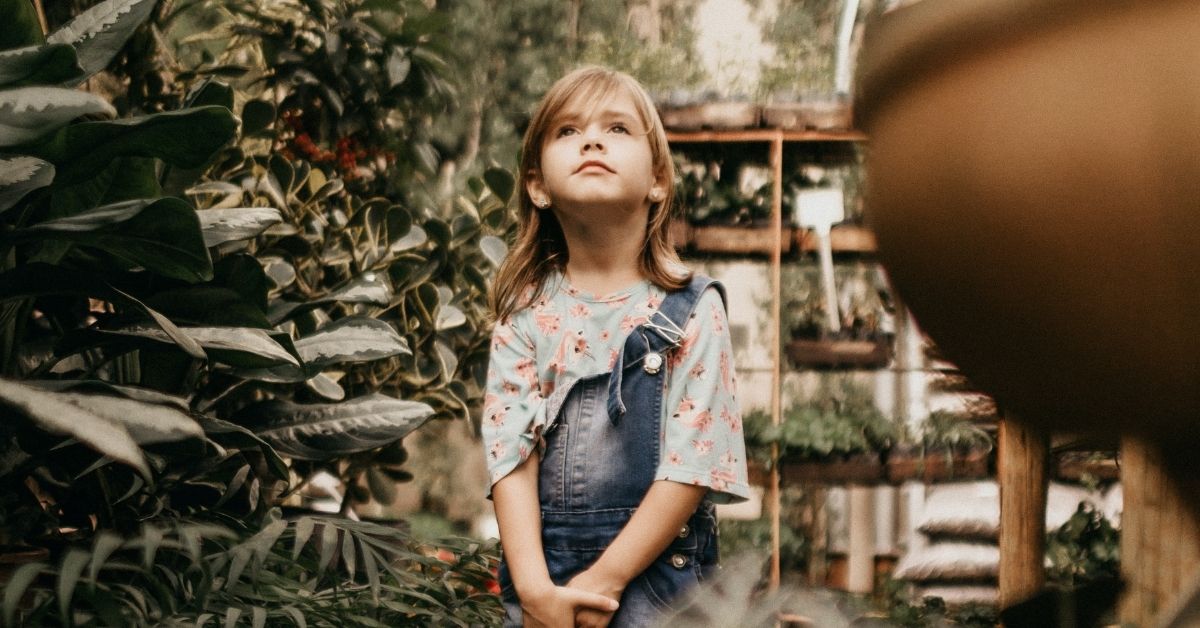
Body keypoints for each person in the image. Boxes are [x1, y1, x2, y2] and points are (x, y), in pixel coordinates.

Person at [483, 66, 750, 628]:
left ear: (657, 180)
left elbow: (692, 465)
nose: (592, 140)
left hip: (659, 587)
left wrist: (605, 581)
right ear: (537, 185)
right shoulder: (524, 314)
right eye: (568, 131)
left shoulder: (694, 310)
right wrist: (535, 593)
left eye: (618, 128)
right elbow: (510, 457)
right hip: (543, 588)